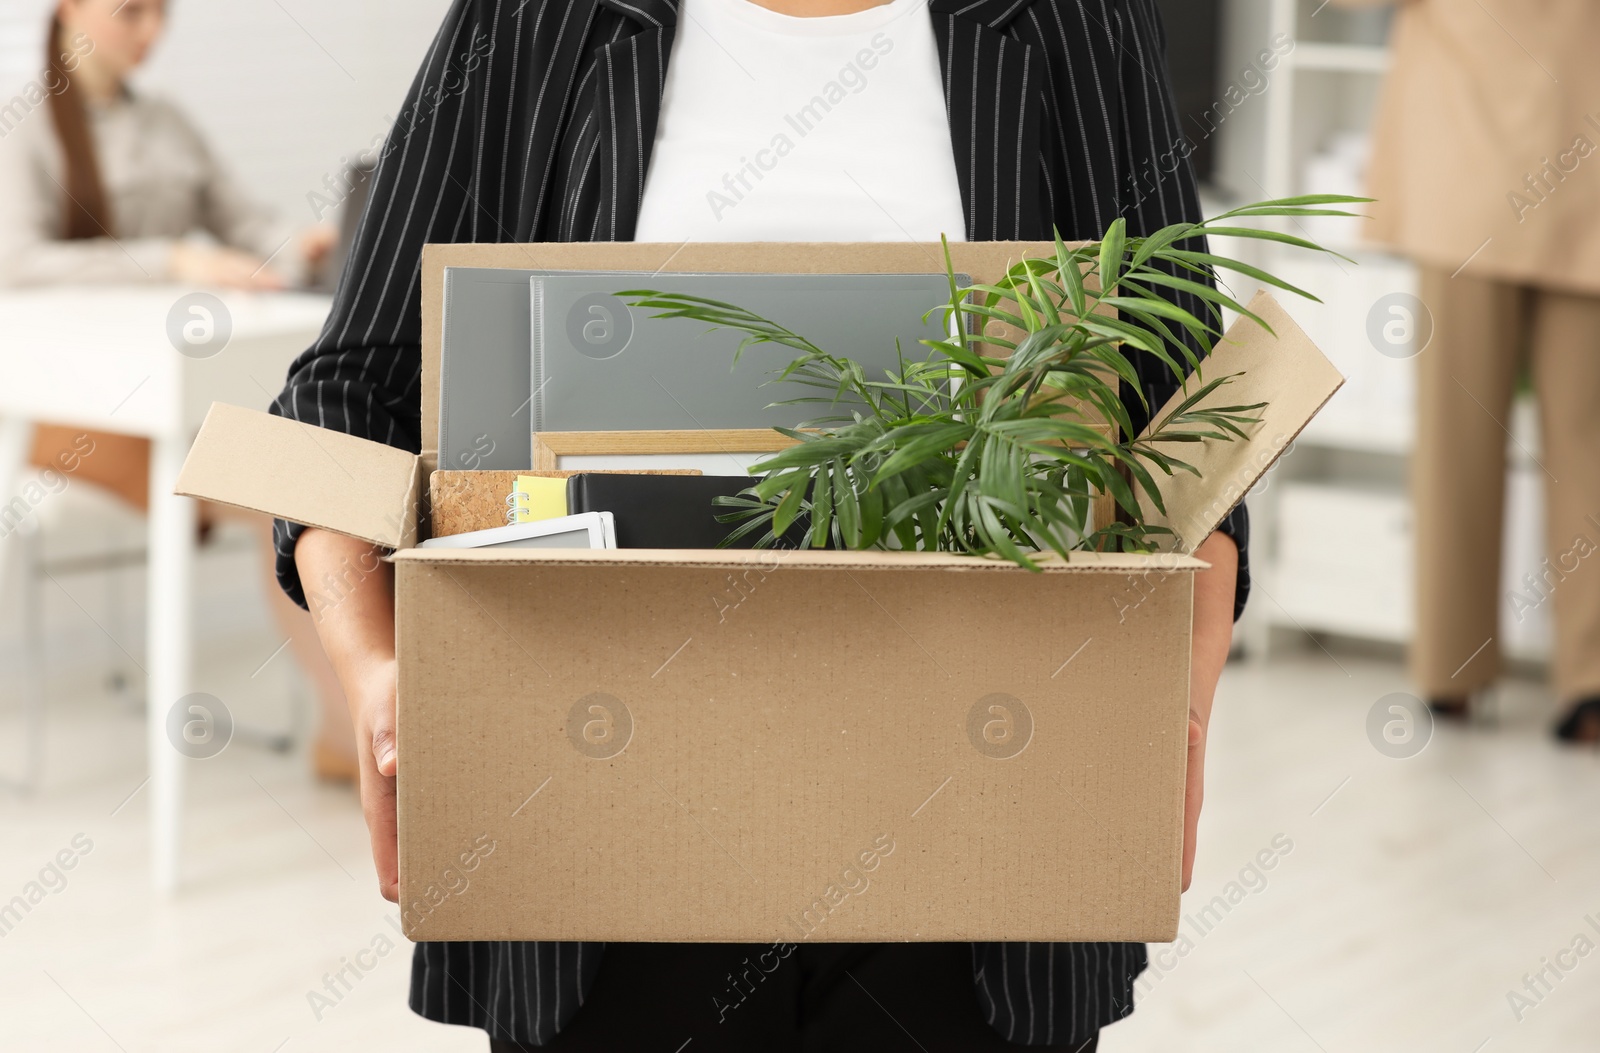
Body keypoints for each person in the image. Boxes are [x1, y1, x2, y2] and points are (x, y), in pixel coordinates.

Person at [275, 0, 1247, 1048]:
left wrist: (1178, 696)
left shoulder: (1071, 22)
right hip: (593, 843)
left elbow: (1190, 417)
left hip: (986, 853)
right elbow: (342, 398)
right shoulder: (534, 18)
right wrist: (376, 670)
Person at [0, 0, 359, 780]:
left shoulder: (168, 123)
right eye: (132, 11)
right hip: (74, 419)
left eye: (162, 13)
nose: (151, 32)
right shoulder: (24, 130)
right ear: (70, 10)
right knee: (284, 488)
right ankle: (349, 732)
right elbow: (17, 264)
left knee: (311, 472)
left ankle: (352, 726)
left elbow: (244, 222)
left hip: (171, 403)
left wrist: (306, 244)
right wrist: (171, 260)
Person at [1336, 0, 1600, 741]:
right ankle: (1587, 681)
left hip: (1475, 179)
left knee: (1460, 440)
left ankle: (1454, 667)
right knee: (1586, 440)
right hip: (1564, 165)